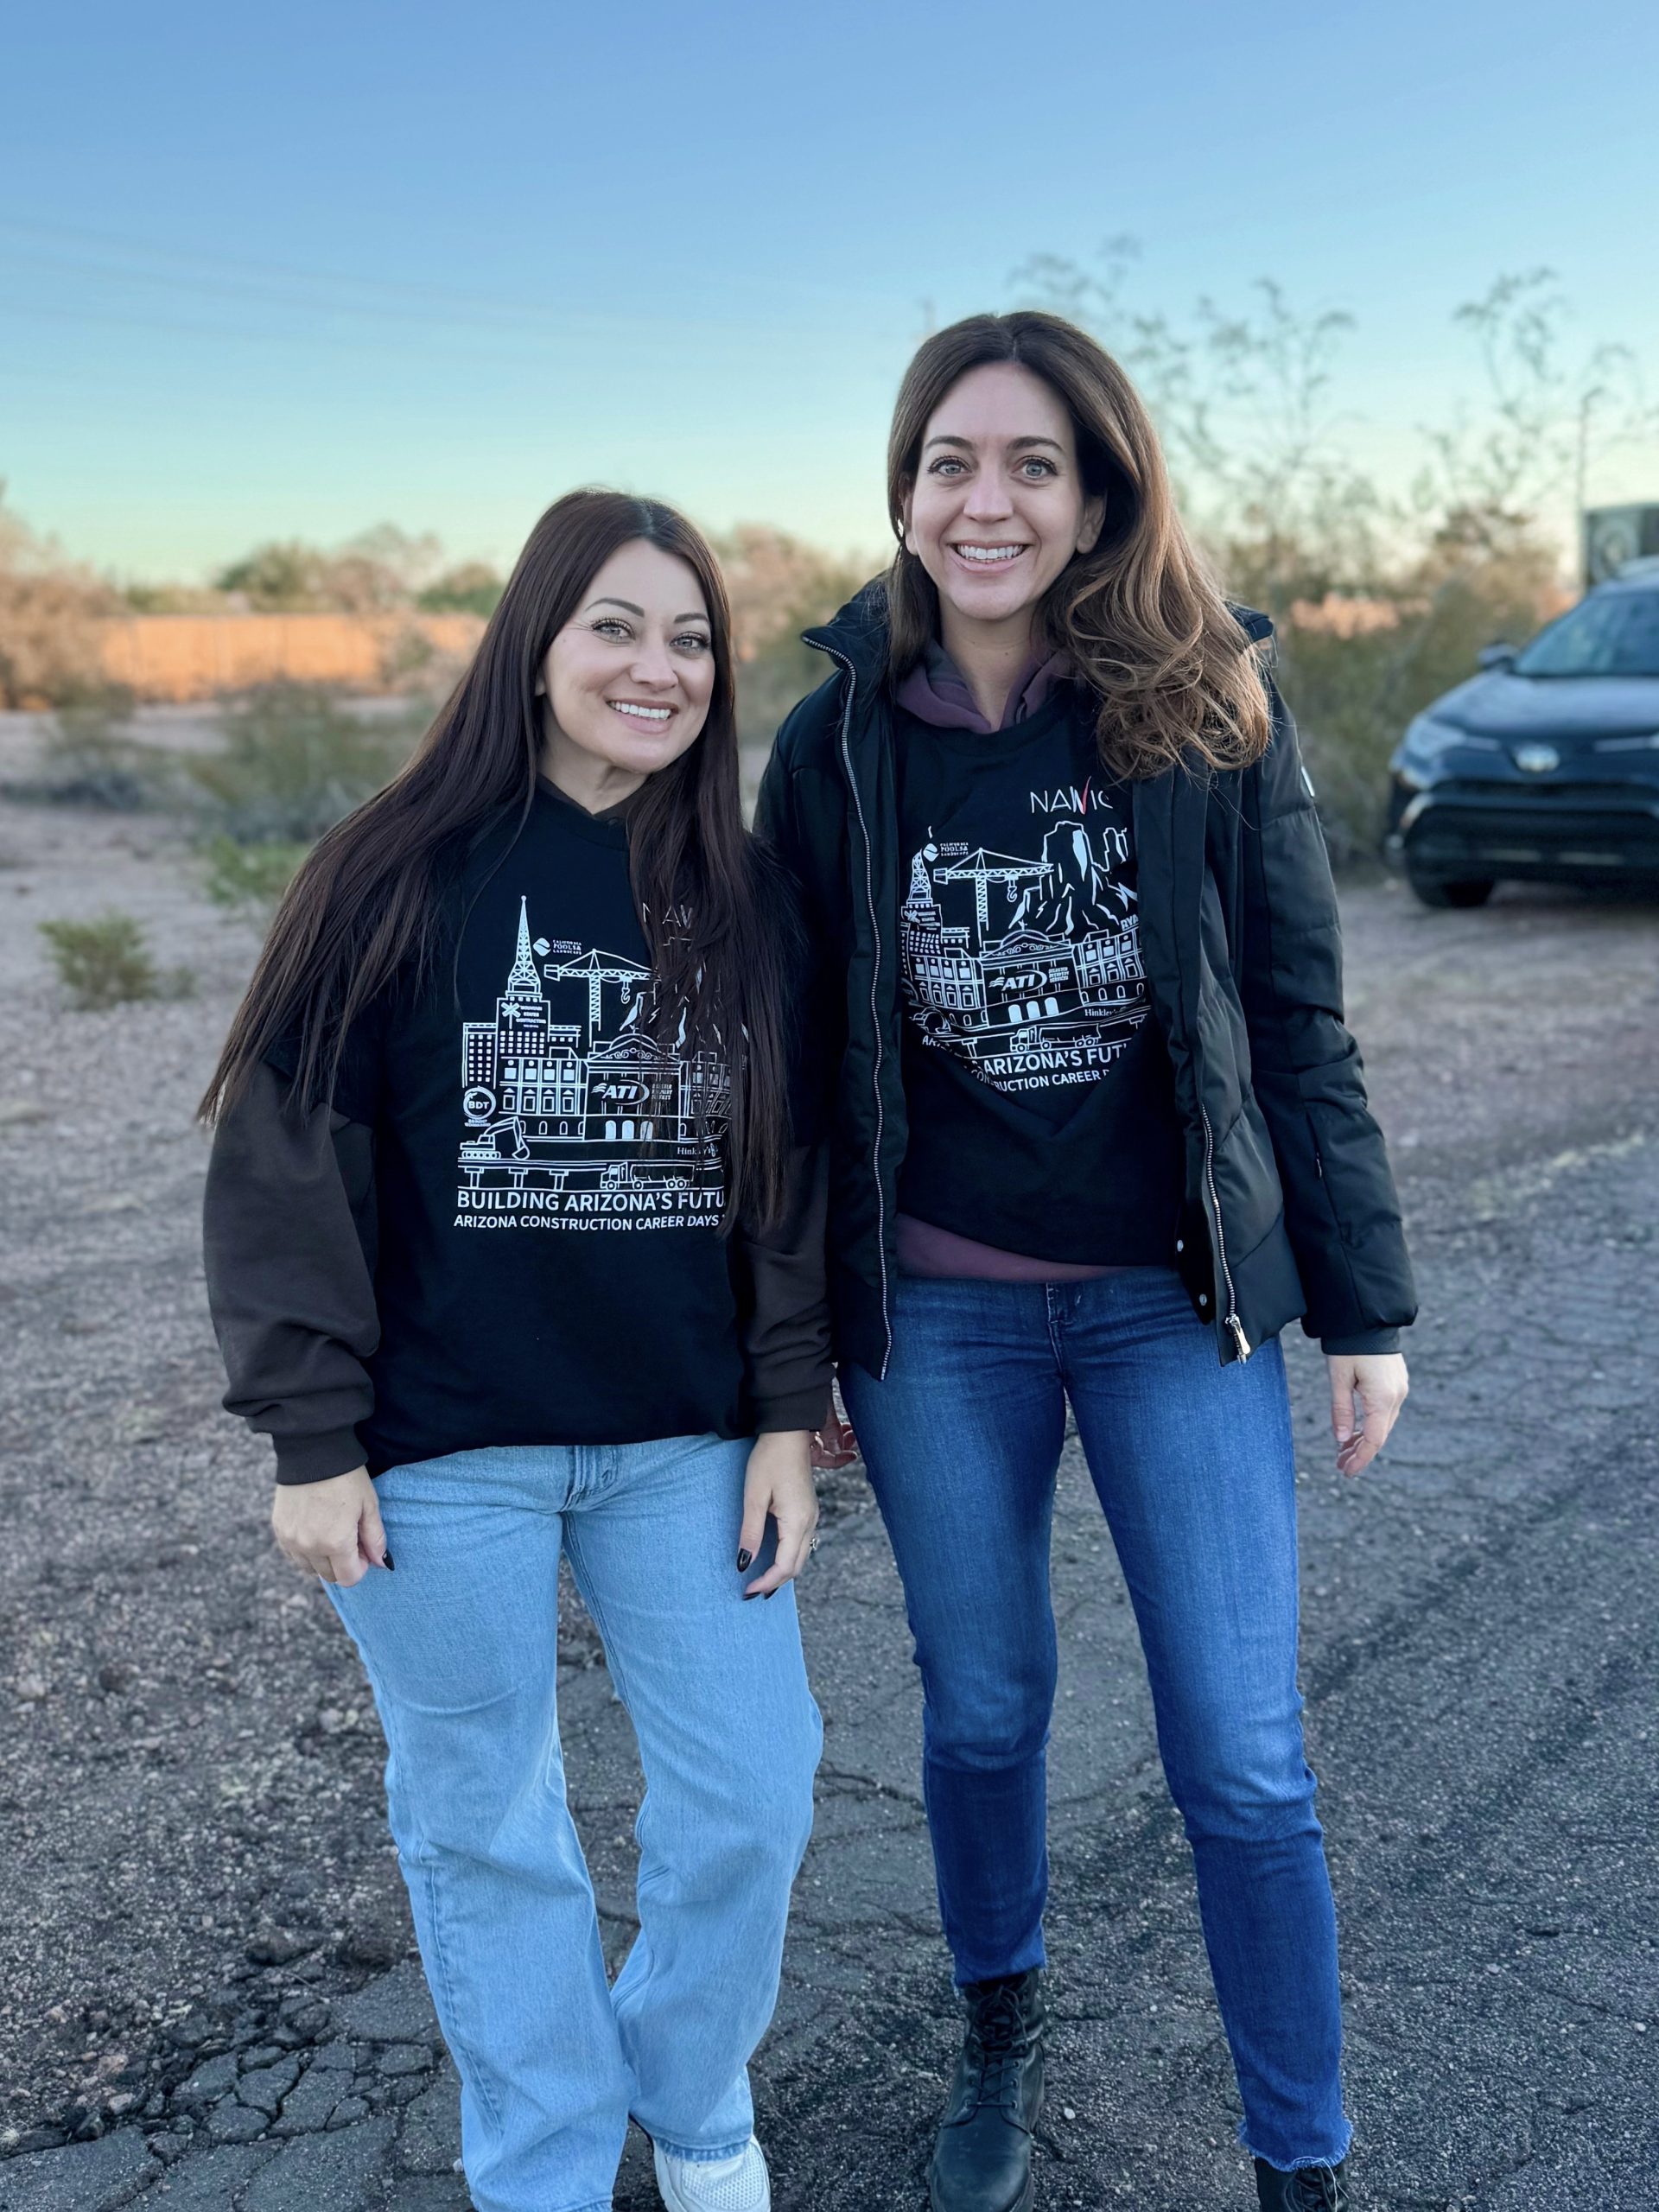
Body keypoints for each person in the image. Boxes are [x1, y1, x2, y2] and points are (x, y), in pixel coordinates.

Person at [757, 313, 1415, 2212]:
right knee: (982, 1708)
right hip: (936, 1321)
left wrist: (1363, 1307)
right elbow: (791, 1075)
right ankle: (1000, 2030)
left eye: (1034, 464)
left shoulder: (1208, 710)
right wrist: (792, 1353)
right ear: (903, 491)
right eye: (951, 461)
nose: (990, 501)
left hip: (1170, 1305)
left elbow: (1297, 1018)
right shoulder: (834, 744)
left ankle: (1301, 2159)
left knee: (1245, 1755)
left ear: (1100, 494)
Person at [201, 489, 830, 2212]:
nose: (656, 667)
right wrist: (311, 1435)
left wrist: (790, 1409)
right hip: (436, 1451)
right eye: (616, 626)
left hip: (686, 1438)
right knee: (486, 1817)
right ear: (535, 645)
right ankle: (544, 2164)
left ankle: (689, 2097)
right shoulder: (392, 871)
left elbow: (788, 1178)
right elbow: (283, 1163)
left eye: (691, 638)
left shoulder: (744, 896)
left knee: (754, 1790)